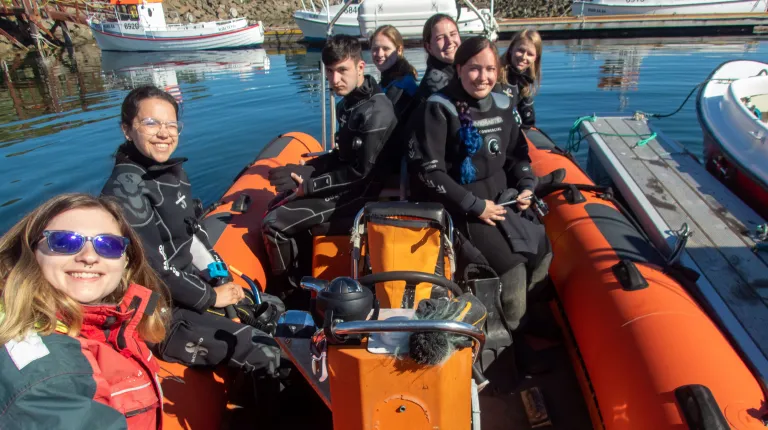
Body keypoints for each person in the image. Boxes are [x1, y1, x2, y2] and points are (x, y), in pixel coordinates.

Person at [101, 85, 282, 378]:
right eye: (151, 123)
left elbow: (190, 234)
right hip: (160, 309)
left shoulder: (172, 174)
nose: (164, 133)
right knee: (266, 353)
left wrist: (218, 275)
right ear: (126, 129)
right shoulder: (125, 191)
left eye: (171, 124)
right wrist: (211, 297)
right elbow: (154, 269)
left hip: (189, 284)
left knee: (272, 308)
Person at [407, 36, 552, 334]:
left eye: (489, 69)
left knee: (542, 249)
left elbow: (517, 155)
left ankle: (533, 319)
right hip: (465, 208)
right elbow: (429, 173)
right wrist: (475, 206)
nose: (483, 77)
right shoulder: (438, 108)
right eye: (474, 69)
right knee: (512, 268)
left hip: (504, 201)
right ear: (459, 68)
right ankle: (514, 338)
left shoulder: (502, 103)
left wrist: (526, 185)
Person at [0, 193, 170, 429]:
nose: (89, 256)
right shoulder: (45, 377)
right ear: (30, 253)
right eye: (65, 241)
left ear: (126, 260)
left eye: (108, 245)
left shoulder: (109, 321)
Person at [263, 35, 397, 285]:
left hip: (363, 193)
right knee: (276, 201)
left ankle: (288, 294)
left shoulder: (377, 112)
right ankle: (304, 274)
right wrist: (309, 167)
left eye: (342, 70)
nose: (335, 80)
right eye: (330, 72)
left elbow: (361, 173)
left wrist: (310, 186)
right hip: (348, 184)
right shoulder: (349, 104)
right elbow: (342, 155)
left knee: (273, 224)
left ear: (360, 67)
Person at [370, 25, 418, 119]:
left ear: (399, 50)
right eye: (375, 49)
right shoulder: (386, 82)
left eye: (386, 49)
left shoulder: (403, 85)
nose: (379, 54)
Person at [413, 14, 462, 104]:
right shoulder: (435, 81)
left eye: (453, 34)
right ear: (429, 47)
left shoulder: (460, 70)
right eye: (440, 38)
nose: (450, 41)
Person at [500, 29, 542, 130]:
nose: (524, 57)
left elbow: (528, 120)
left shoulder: (525, 80)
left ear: (536, 57)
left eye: (530, 54)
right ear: (511, 49)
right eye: (520, 50)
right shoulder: (496, 74)